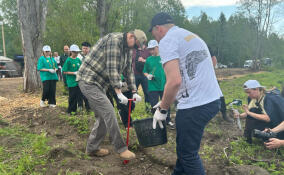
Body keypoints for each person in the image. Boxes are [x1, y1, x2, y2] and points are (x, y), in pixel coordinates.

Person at [149, 12, 222, 175]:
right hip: (212, 99)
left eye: (153, 33)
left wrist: (163, 110)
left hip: (195, 105)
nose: (155, 38)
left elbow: (174, 81)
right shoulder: (190, 35)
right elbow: (188, 76)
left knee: (188, 155)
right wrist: (163, 102)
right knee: (184, 149)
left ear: (158, 28)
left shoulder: (167, 40)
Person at [76, 30, 145, 160]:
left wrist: (134, 91)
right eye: (135, 45)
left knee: (103, 117)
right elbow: (112, 68)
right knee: (109, 111)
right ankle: (121, 148)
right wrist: (118, 93)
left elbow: (129, 70)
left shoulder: (128, 48)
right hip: (88, 80)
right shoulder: (114, 40)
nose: (135, 49)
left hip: (100, 84)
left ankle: (92, 148)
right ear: (131, 36)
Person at [143, 39, 174, 128]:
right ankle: (156, 120)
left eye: (153, 49)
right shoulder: (148, 59)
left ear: (157, 47)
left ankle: (167, 120)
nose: (151, 51)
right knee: (154, 104)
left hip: (164, 84)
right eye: (150, 49)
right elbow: (145, 71)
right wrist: (147, 75)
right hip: (153, 86)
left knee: (166, 103)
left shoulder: (164, 57)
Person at [208, 47, 233, 122]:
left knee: (219, 95)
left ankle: (224, 114)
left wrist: (209, 70)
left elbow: (214, 59)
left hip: (207, 75)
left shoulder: (204, 45)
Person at [62, 44, 83, 114]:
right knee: (72, 96)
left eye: (77, 52)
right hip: (71, 82)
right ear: (71, 52)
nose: (76, 54)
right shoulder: (68, 60)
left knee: (77, 96)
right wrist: (73, 73)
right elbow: (64, 71)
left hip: (78, 81)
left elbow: (81, 68)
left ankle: (75, 110)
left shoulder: (78, 60)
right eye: (75, 52)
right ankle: (70, 110)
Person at [132, 30, 150, 108]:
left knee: (147, 92)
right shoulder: (133, 50)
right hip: (134, 74)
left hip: (144, 75)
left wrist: (144, 60)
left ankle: (148, 108)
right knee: (132, 93)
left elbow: (152, 61)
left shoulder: (148, 50)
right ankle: (131, 108)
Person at [77, 41, 91, 112]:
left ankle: (88, 107)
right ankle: (80, 105)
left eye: (86, 48)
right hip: (80, 77)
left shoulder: (92, 56)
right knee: (79, 92)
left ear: (89, 49)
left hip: (89, 77)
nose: (85, 50)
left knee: (87, 92)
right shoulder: (79, 57)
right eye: (83, 48)